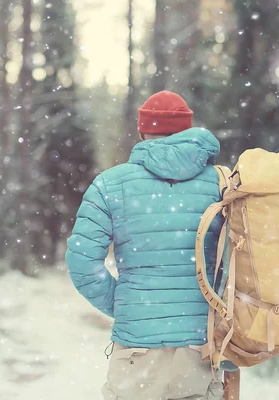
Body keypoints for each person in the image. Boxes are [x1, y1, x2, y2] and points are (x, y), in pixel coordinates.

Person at [65, 91, 229, 400]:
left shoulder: (109, 184)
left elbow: (82, 263)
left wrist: (125, 305)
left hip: (136, 349)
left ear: (142, 132)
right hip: (200, 347)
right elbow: (238, 262)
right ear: (187, 130)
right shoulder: (222, 184)